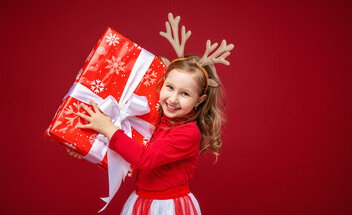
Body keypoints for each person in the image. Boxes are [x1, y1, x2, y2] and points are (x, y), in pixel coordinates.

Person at [68, 13, 233, 214]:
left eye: (185, 94)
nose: (173, 99)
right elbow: (128, 147)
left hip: (169, 206)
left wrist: (108, 128)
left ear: (199, 100)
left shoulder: (188, 133)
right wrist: (86, 147)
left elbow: (144, 158)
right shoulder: (157, 118)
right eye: (170, 87)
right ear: (162, 83)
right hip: (141, 200)